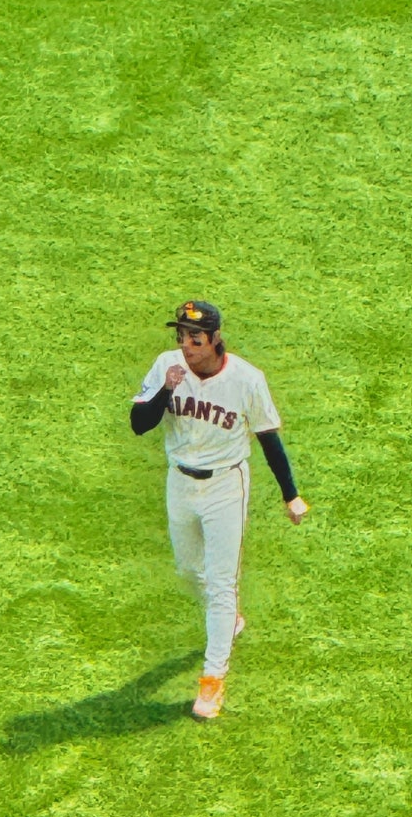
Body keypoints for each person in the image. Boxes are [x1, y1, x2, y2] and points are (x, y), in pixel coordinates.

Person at [130, 300, 309, 720]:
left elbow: (268, 438)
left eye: (195, 338)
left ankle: (212, 681)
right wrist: (166, 390)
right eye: (181, 337)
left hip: (227, 485)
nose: (186, 346)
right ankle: (227, 622)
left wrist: (290, 495)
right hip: (180, 481)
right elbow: (140, 424)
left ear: (214, 339)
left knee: (222, 584)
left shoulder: (247, 379)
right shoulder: (167, 366)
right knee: (188, 571)